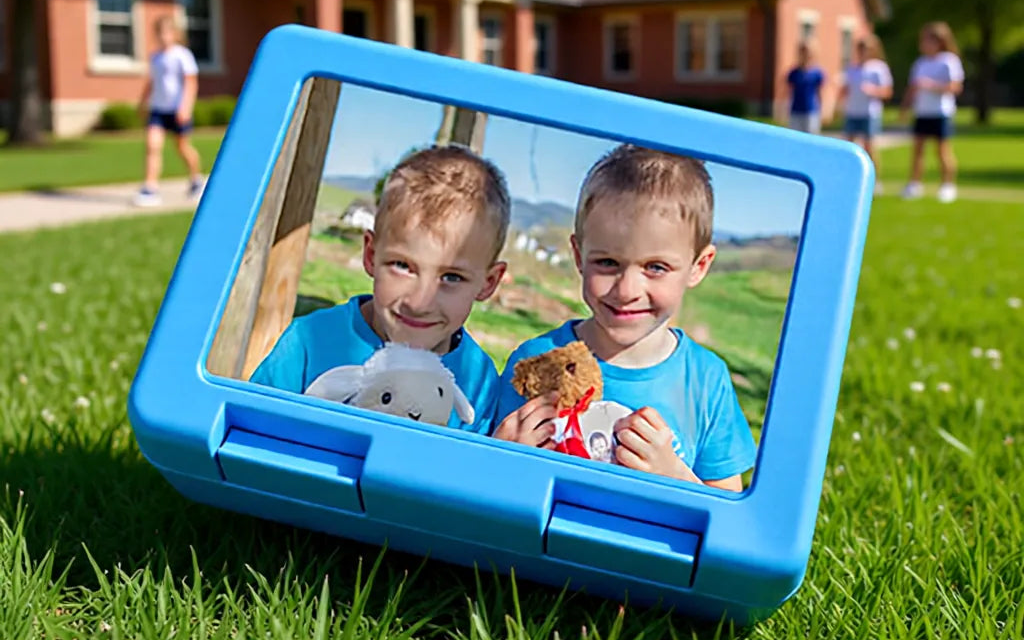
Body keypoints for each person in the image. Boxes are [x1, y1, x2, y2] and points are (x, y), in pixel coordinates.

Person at [493, 144, 756, 491]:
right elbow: (492, 485)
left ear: (698, 266)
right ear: (579, 255)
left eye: (656, 267)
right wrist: (505, 456)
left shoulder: (706, 381)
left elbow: (725, 516)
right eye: (608, 263)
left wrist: (675, 477)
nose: (627, 289)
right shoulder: (536, 361)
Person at [250, 145, 510, 434]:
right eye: (403, 266)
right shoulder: (308, 342)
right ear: (371, 255)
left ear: (488, 283)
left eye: (451, 277)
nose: (420, 302)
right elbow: (250, 434)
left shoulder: (478, 378)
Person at [134, 15, 204, 207]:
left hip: (177, 109)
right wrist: (143, 103)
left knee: (182, 147)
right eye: (160, 33)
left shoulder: (182, 55)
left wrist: (185, 107)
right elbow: (152, 82)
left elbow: (191, 83)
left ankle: (196, 179)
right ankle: (150, 187)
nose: (164, 36)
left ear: (174, 34)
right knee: (152, 146)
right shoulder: (155, 57)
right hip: (158, 109)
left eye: (167, 32)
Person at [900, 21, 964, 204]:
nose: (923, 44)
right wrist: (905, 107)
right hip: (922, 112)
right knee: (918, 150)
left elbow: (955, 86)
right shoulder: (920, 62)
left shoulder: (949, 61)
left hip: (940, 112)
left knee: (942, 150)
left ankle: (948, 185)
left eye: (927, 40)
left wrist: (932, 85)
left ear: (940, 41)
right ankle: (914, 184)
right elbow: (912, 88)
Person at [837, 34, 893, 193]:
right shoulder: (852, 69)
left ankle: (875, 181)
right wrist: (838, 106)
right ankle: (848, 178)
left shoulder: (879, 68)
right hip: (852, 111)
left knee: (870, 147)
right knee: (849, 146)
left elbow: (887, 92)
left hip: (869, 113)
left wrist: (873, 90)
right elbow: (845, 90)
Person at [784, 40, 827, 134]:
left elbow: (820, 92)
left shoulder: (817, 73)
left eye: (807, 52)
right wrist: (785, 108)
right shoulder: (793, 72)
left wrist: (823, 110)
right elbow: (787, 91)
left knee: (811, 138)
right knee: (795, 138)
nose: (804, 55)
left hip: (811, 111)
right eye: (802, 52)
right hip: (796, 111)